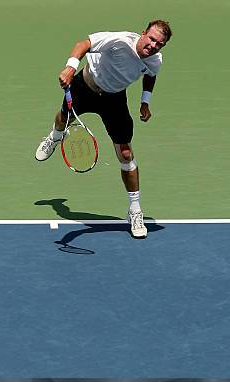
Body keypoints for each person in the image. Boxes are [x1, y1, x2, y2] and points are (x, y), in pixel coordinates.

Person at [35, 20, 173, 239]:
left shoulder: (155, 60)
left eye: (160, 44)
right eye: (152, 39)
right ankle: (55, 137)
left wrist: (145, 101)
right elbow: (84, 43)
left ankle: (135, 210)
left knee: (126, 154)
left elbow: (150, 75)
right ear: (143, 33)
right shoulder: (118, 41)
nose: (154, 46)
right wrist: (71, 67)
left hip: (114, 99)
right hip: (85, 86)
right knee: (63, 118)